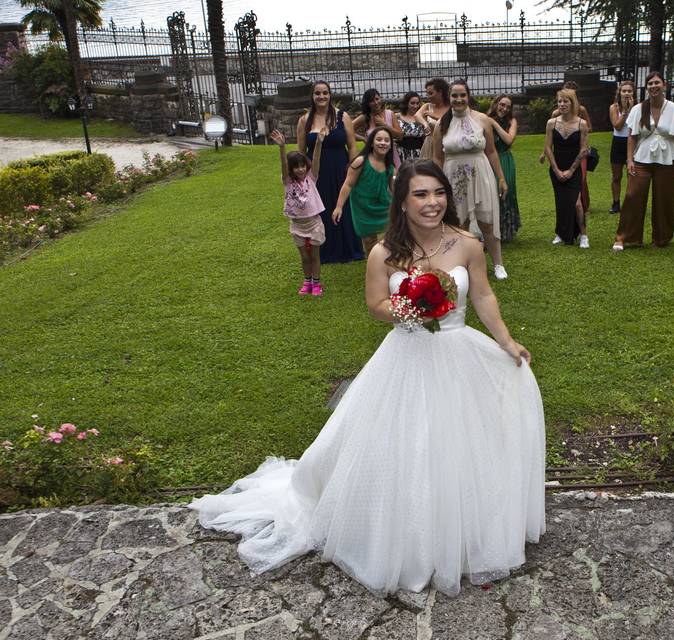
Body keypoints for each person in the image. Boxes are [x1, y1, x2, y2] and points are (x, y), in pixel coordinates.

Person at [189, 159, 546, 597]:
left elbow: (485, 294)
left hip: (458, 351)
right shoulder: (383, 252)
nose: (432, 203)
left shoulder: (467, 243)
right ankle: (403, 533)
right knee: (405, 445)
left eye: (438, 193)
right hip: (406, 352)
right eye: (420, 194)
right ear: (402, 200)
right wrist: (409, 309)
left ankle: (461, 527)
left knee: (459, 443)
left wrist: (507, 341)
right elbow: (376, 303)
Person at [434, 80, 510, 280]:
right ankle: (461, 266)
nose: (458, 99)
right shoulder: (442, 124)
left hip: (480, 174)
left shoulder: (482, 119)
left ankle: (498, 264)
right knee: (459, 224)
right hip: (453, 177)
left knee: (487, 221)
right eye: (454, 96)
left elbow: (492, 151)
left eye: (462, 95)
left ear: (468, 96)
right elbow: (437, 158)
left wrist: (501, 178)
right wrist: (436, 183)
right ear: (449, 98)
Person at [613, 71, 674, 250]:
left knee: (665, 198)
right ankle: (625, 237)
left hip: (667, 158)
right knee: (633, 195)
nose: (654, 86)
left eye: (657, 83)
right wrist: (629, 159)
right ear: (647, 88)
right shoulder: (639, 108)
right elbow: (631, 136)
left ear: (664, 85)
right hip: (642, 158)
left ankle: (661, 238)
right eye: (650, 84)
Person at [297, 80, 365, 263]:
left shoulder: (342, 117)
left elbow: (351, 146)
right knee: (321, 208)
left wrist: (353, 167)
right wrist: (301, 177)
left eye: (325, 93)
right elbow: (300, 152)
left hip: (340, 168)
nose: (321, 97)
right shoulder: (304, 120)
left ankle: (349, 249)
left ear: (330, 94)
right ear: (312, 96)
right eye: (317, 93)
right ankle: (324, 250)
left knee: (343, 206)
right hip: (316, 172)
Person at [270, 129, 325, 297]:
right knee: (304, 257)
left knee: (314, 256)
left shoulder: (311, 178)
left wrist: (319, 143)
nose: (300, 170)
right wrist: (282, 147)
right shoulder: (287, 182)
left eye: (302, 166)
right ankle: (307, 281)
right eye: (296, 167)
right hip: (297, 225)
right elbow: (284, 166)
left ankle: (316, 283)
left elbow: (316, 159)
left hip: (314, 223)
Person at [331, 127, 395, 256]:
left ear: (390, 145)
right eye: (379, 139)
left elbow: (393, 189)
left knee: (388, 242)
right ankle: (374, 269)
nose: (383, 142)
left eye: (387, 140)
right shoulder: (361, 161)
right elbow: (348, 184)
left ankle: (386, 268)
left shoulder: (390, 165)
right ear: (371, 143)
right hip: (363, 208)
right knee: (369, 243)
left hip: (384, 206)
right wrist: (339, 207)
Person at [544, 88, 589, 248]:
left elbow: (584, 150)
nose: (562, 104)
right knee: (561, 201)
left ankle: (584, 235)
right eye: (560, 101)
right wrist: (556, 170)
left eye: (565, 101)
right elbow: (548, 148)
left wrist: (570, 171)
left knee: (576, 203)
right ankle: (561, 233)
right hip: (556, 168)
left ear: (572, 103)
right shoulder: (552, 123)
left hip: (574, 169)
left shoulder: (581, 124)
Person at [488, 94, 521, 242]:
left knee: (506, 193)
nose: (504, 109)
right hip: (489, 160)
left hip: (505, 160)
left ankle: (505, 230)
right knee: (490, 194)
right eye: (502, 104)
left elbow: (508, 139)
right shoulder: (485, 119)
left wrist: (494, 124)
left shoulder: (511, 121)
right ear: (495, 104)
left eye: (508, 107)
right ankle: (491, 230)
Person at [352, 88, 402, 167]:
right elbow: (346, 130)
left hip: (391, 155)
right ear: (367, 103)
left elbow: (400, 136)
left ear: (380, 98)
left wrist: (385, 125)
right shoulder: (365, 117)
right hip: (372, 157)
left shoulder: (390, 114)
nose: (376, 103)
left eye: (377, 99)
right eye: (372, 101)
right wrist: (363, 138)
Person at [608, 80, 635, 214]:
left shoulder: (638, 107)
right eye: (624, 91)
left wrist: (631, 109)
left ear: (633, 92)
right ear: (619, 92)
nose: (626, 93)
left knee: (632, 175)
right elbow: (617, 126)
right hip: (618, 142)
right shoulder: (614, 107)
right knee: (616, 176)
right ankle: (616, 202)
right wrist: (625, 111)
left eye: (629, 91)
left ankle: (630, 202)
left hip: (633, 142)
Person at [415, 77, 451, 161]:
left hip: (446, 143)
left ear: (440, 92)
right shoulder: (427, 106)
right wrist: (425, 124)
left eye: (431, 93)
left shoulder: (451, 107)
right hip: (430, 144)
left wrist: (434, 116)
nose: (428, 97)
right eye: (427, 94)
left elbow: (452, 123)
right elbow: (417, 116)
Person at [396, 91, 426, 163]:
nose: (415, 106)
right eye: (412, 103)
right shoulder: (397, 117)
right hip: (401, 154)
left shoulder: (422, 118)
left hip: (418, 155)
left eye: (417, 103)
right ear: (406, 103)